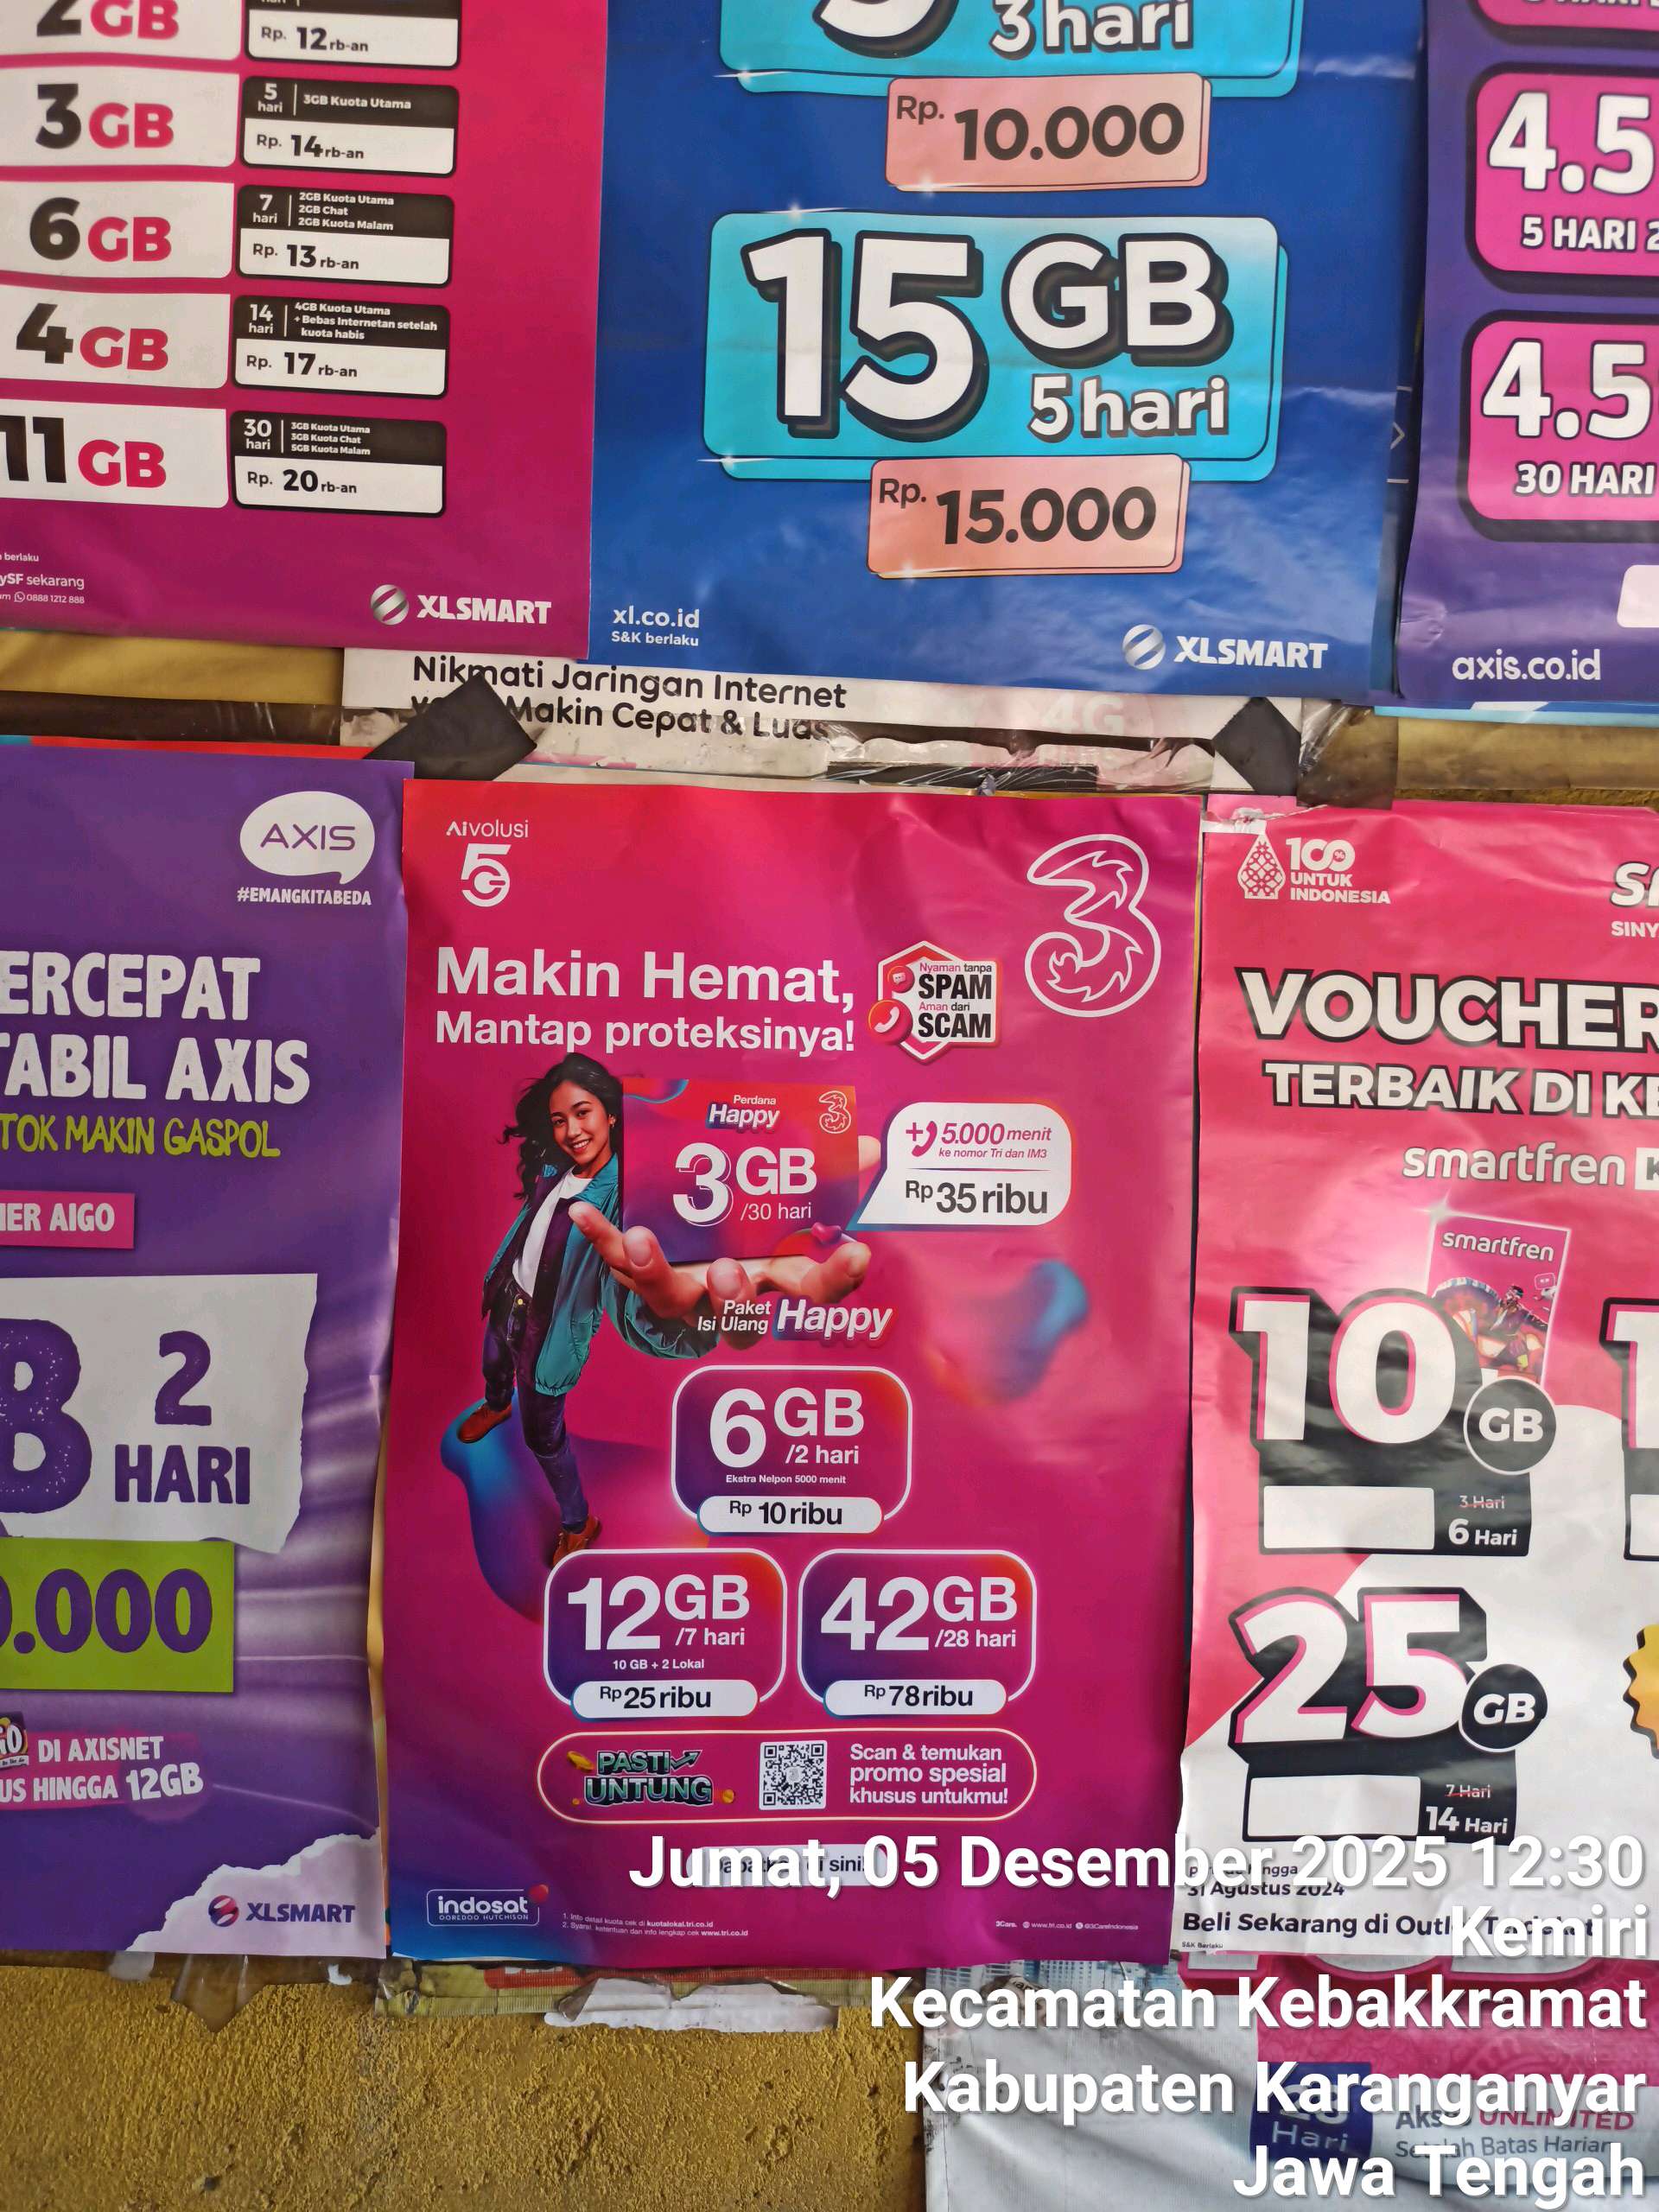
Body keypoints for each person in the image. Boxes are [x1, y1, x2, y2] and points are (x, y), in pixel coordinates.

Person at [458, 1054, 872, 1564]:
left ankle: (578, 1522)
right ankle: (497, 1402)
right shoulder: (553, 1166)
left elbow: (639, 1283)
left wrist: (683, 1316)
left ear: (611, 1114)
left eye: (583, 1113)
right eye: (560, 1119)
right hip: (508, 1299)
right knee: (493, 1363)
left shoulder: (627, 1195)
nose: (571, 1131)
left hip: (549, 1336)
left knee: (543, 1437)